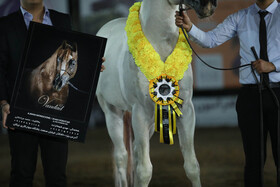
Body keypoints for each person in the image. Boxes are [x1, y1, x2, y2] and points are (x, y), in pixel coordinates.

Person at [0, 0, 105, 186]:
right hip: (21, 111)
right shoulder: (5, 25)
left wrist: (94, 65)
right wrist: (4, 103)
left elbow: (71, 58)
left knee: (57, 176)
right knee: (21, 174)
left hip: (56, 111)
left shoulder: (62, 20)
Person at [176, 0, 280, 186]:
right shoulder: (241, 16)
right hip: (250, 98)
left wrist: (274, 66)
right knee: (253, 162)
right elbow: (211, 40)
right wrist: (190, 27)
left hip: (278, 93)